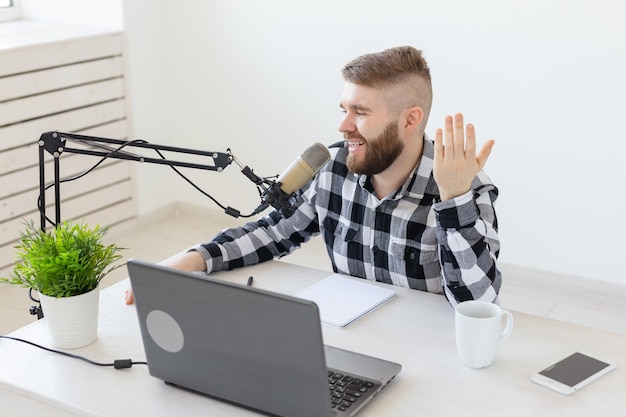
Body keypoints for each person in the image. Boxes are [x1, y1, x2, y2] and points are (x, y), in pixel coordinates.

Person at [125, 46, 501, 306]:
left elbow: (477, 302)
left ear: (410, 119)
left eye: (361, 112)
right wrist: (192, 260)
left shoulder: (465, 187)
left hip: (425, 356)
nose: (343, 125)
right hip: (349, 334)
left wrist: (454, 200)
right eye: (343, 109)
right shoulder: (334, 167)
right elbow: (275, 232)